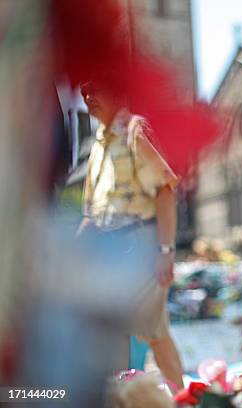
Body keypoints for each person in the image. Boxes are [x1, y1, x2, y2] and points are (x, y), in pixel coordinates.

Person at [78, 79, 184, 389]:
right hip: (111, 250)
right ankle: (182, 396)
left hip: (140, 246)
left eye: (94, 87)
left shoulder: (133, 131)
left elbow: (165, 189)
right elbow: (93, 212)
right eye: (83, 91)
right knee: (152, 331)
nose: (88, 97)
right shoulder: (99, 142)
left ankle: (141, 396)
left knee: (125, 328)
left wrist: (166, 252)